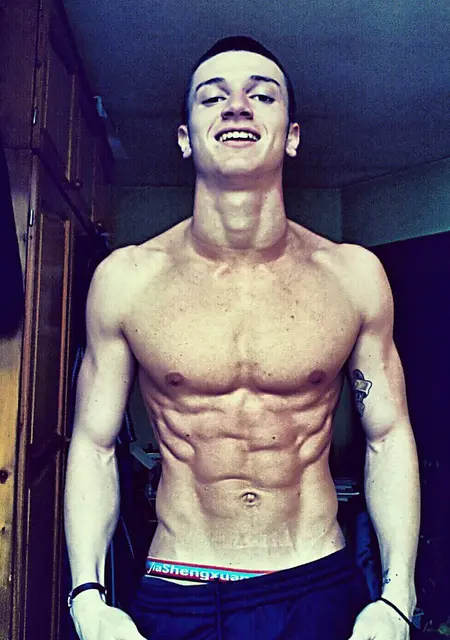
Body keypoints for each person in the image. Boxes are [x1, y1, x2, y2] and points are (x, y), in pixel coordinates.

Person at [64, 36, 420, 640]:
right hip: (181, 588)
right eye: (213, 97)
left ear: (292, 135)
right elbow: (94, 445)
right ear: (184, 138)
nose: (237, 107)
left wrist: (397, 596)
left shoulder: (354, 277)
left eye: (262, 95)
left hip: (317, 581)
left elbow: (388, 437)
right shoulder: (126, 281)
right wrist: (87, 599)